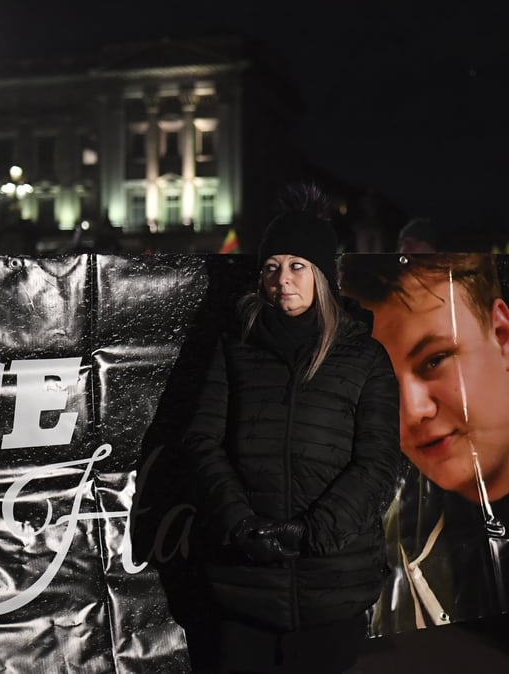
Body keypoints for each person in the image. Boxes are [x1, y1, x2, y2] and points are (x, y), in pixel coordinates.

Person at [182, 183, 400, 672]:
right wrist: (239, 523)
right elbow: (202, 441)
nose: (283, 279)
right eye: (272, 267)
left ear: (321, 273)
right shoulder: (234, 348)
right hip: (244, 582)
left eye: (297, 266)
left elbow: (378, 463)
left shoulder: (365, 358)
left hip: (331, 582)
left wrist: (311, 532)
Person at [340, 252, 509, 632]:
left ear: (502, 337)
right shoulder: (387, 527)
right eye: (380, 379)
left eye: (435, 360)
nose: (412, 410)